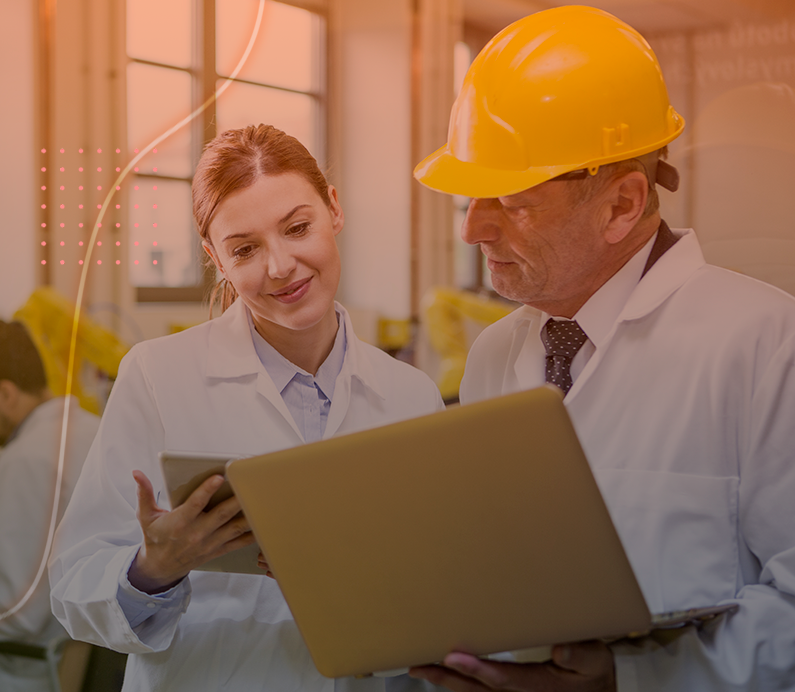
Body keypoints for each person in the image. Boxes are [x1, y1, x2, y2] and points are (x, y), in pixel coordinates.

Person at [408, 6, 795, 692]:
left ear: (620, 205)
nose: (472, 230)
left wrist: (627, 678)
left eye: (509, 199)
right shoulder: (497, 354)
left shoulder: (766, 346)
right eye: (469, 198)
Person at [48, 124, 445, 692]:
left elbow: (440, 589)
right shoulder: (158, 376)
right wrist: (155, 570)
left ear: (334, 208)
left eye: (297, 228)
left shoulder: (410, 396)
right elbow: (73, 586)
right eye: (245, 249)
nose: (280, 266)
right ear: (215, 258)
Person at [0, 320, 100, 691]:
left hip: (30, 670)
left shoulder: (28, 459)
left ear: (6, 394)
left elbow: (17, 612)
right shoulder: (92, 429)